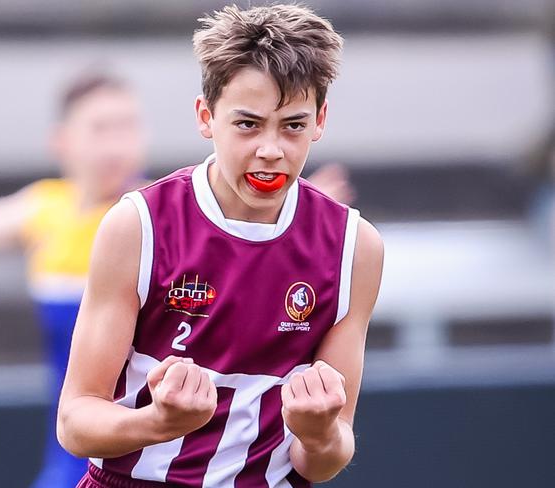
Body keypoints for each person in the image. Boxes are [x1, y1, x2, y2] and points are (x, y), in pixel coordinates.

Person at [57, 4, 383, 488]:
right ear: (206, 117)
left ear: (320, 120)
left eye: (292, 125)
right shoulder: (139, 225)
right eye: (248, 124)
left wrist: (317, 436)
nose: (270, 149)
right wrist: (157, 423)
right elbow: (75, 421)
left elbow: (326, 456)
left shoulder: (355, 248)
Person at [0, 73, 148, 488]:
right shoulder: (47, 210)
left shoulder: (157, 214)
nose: (115, 144)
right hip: (70, 450)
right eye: (100, 128)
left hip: (145, 454)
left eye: (126, 126)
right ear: (63, 140)